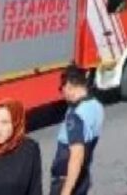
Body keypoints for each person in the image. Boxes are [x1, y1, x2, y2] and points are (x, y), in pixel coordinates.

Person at [50, 67, 103, 195]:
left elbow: (76, 154)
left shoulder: (76, 115)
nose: (63, 93)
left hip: (67, 180)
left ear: (68, 86)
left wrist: (66, 191)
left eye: (61, 89)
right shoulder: (97, 106)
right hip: (83, 176)